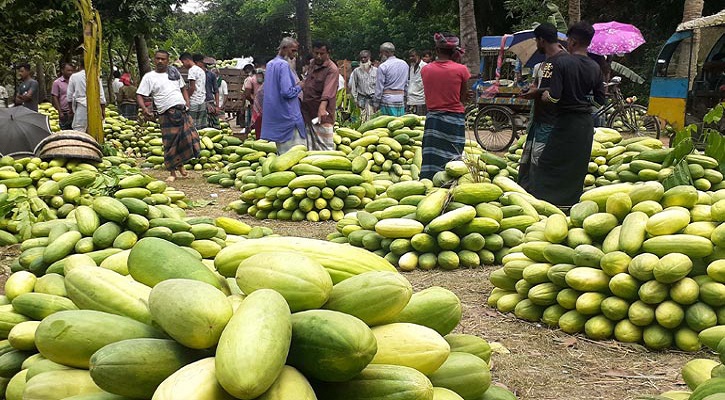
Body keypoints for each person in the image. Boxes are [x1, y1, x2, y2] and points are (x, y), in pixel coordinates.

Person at [528, 21, 606, 207]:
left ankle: (546, 204)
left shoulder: (562, 62)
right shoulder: (595, 67)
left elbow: (554, 97)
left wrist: (546, 96)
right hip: (585, 124)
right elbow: (600, 100)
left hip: (565, 122)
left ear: (572, 42)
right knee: (576, 166)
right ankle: (570, 205)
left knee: (548, 163)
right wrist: (582, 100)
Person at [136, 50, 200, 182]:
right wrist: (144, 109)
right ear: (154, 60)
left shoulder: (174, 73)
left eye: (163, 59)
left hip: (181, 111)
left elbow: (183, 89)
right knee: (170, 144)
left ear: (168, 60)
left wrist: (187, 102)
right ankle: (172, 172)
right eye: (158, 59)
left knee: (187, 140)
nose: (160, 61)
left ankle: (181, 166)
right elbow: (139, 95)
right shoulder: (149, 77)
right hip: (166, 114)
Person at [517, 23, 566, 191]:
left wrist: (536, 92)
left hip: (550, 121)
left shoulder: (562, 61)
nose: (536, 45)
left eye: (536, 41)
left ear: (541, 40)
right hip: (540, 120)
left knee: (540, 161)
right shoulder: (548, 62)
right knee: (532, 161)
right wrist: (533, 90)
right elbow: (545, 86)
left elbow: (561, 91)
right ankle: (531, 191)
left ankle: (541, 194)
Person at [419, 33, 470, 179]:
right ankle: (451, 182)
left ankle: (429, 180)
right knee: (453, 156)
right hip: (454, 119)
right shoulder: (461, 70)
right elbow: (463, 98)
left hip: (434, 119)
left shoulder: (426, 70)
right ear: (454, 51)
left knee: (431, 155)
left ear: (436, 50)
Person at [261, 37, 306, 154]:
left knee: (282, 154)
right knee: (296, 154)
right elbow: (287, 92)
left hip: (276, 117)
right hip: (288, 117)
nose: (294, 55)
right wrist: (301, 85)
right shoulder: (283, 65)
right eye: (293, 51)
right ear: (284, 48)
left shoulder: (270, 64)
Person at [301, 40, 339, 151]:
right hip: (308, 113)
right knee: (310, 146)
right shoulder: (312, 63)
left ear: (328, 53)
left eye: (321, 54)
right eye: (316, 53)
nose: (318, 56)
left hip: (322, 114)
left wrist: (322, 108)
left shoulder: (332, 69)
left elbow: (328, 91)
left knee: (324, 146)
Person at [67, 59, 107, 132]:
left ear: (80, 65)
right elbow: (101, 96)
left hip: (81, 107)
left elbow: (69, 96)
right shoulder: (95, 76)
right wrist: (103, 110)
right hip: (95, 106)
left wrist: (71, 110)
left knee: (79, 130)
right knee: (95, 129)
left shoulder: (74, 77)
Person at [374, 42, 408, 116]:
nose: (380, 55)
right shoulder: (404, 64)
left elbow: (379, 87)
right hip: (400, 99)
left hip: (387, 100)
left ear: (386, 52)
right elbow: (406, 84)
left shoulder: (383, 66)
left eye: (381, 53)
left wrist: (376, 103)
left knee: (389, 124)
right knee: (400, 123)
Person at [180, 52, 207, 129]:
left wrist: (186, 99)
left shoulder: (192, 70)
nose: (183, 65)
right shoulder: (201, 70)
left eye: (183, 62)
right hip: (202, 101)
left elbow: (192, 88)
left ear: (187, 60)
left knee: (191, 127)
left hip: (193, 102)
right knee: (201, 128)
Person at [349, 50, 377, 123]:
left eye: (365, 57)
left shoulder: (376, 71)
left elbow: (379, 86)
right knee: (361, 120)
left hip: (373, 99)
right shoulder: (356, 71)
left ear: (369, 58)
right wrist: (355, 100)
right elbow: (353, 86)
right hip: (361, 99)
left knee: (372, 121)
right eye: (361, 58)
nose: (363, 60)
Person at [51, 63, 75, 130]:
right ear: (62, 71)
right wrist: (60, 112)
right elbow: (55, 97)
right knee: (65, 132)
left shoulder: (74, 81)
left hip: (74, 111)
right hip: (64, 112)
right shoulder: (57, 83)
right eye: (68, 70)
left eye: (71, 71)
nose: (70, 72)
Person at [200, 57, 220, 129]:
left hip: (210, 101)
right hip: (200, 102)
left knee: (215, 126)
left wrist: (217, 106)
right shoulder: (196, 74)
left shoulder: (211, 75)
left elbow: (216, 91)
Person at [243, 64, 263, 132]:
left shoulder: (250, 79)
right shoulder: (268, 79)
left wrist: (252, 101)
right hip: (266, 106)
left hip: (255, 106)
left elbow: (247, 94)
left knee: (254, 125)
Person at [407, 49, 427, 116]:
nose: (411, 58)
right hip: (411, 100)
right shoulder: (411, 67)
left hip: (420, 100)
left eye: (413, 56)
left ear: (418, 56)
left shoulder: (425, 67)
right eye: (410, 56)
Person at [251, 68, 265, 139]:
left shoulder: (265, 86)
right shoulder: (252, 80)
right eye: (258, 75)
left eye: (261, 75)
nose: (259, 76)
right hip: (261, 115)